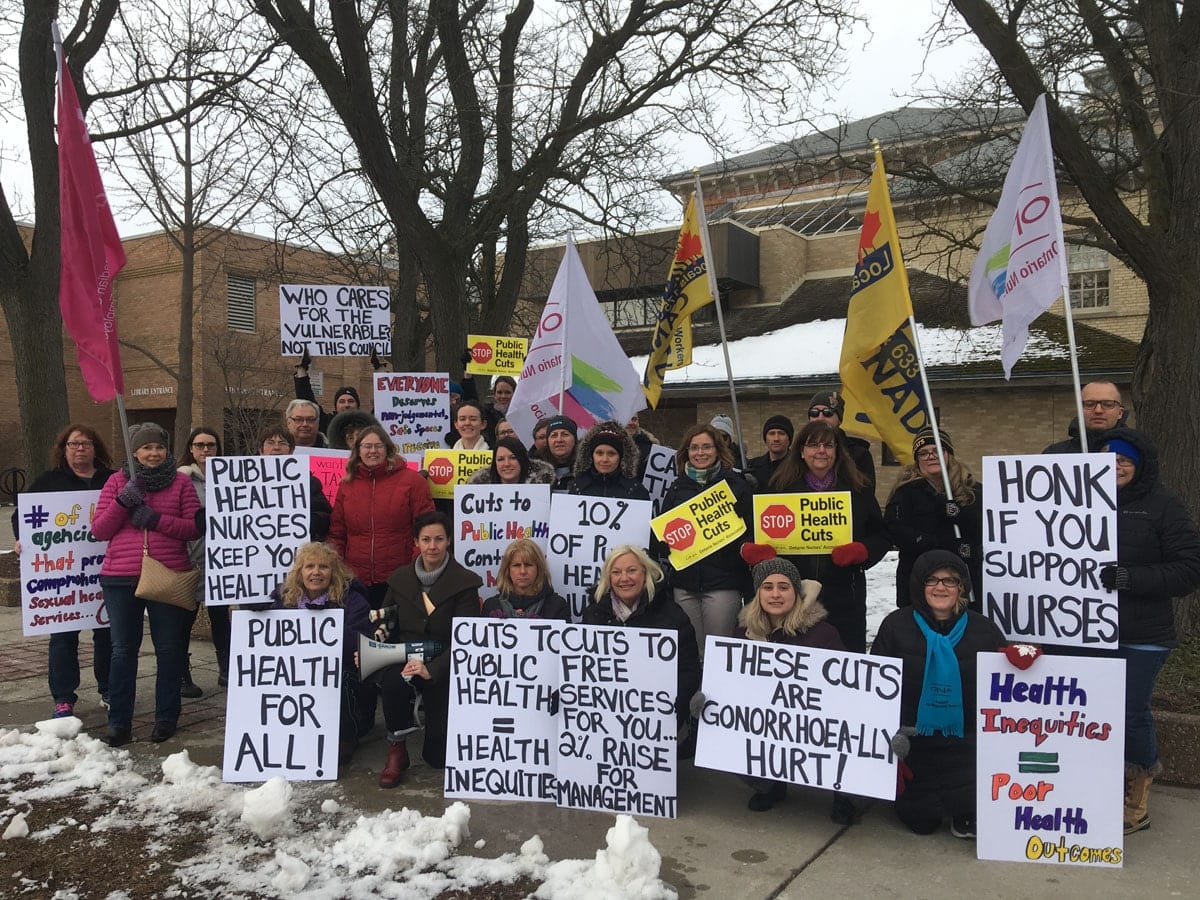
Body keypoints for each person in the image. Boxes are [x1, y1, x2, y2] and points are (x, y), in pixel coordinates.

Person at [1095, 427, 1200, 834]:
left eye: (1124, 460)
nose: (1116, 466)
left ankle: (1136, 798)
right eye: (1109, 458)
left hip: (1142, 634)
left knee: (1129, 712)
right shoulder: (1083, 502)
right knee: (1090, 711)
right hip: (1088, 631)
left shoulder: (1163, 506)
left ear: (1139, 466)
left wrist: (1130, 578)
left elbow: (1189, 570)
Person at [871, 549, 1006, 838]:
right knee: (920, 823)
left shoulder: (984, 630)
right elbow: (875, 687)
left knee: (968, 811)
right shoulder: (896, 626)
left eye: (950, 580)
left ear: (962, 588)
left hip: (967, 743)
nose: (941, 587)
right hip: (915, 742)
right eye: (932, 580)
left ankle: (964, 809)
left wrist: (1023, 659)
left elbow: (1008, 685)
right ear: (919, 585)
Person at [91, 423, 202, 746]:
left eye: (159, 447)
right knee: (123, 651)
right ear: (135, 452)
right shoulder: (117, 482)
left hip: (168, 575)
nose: (153, 453)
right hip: (120, 577)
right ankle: (119, 722)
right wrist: (123, 503)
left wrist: (156, 520)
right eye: (146, 448)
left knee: (169, 650)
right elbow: (100, 530)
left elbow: (193, 529)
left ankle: (166, 717)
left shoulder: (181, 483)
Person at [729, 544, 850, 820]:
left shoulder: (823, 634)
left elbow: (848, 694)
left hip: (817, 722)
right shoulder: (742, 633)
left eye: (783, 587)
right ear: (757, 594)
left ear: (796, 593)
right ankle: (768, 784)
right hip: (769, 723)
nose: (775, 594)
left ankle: (843, 793)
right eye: (768, 587)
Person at [371, 511, 483, 787]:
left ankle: (435, 736)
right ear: (416, 542)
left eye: (439, 539)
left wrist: (432, 669)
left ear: (449, 542)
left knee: (437, 756)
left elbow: (465, 639)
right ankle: (397, 748)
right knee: (392, 683)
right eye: (426, 539)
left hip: (444, 661)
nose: (432, 546)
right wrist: (374, 649)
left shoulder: (466, 582)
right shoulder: (398, 579)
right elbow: (386, 623)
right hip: (405, 655)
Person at [11, 424, 115, 718]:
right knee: (63, 637)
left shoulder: (111, 480)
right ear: (63, 449)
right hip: (62, 580)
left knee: (107, 633)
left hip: (105, 572)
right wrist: (23, 540)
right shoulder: (49, 481)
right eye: (74, 444)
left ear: (96, 449)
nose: (80, 448)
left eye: (86, 443)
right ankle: (63, 697)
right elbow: (24, 516)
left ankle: (109, 688)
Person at [766, 420, 890, 652]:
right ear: (801, 452)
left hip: (845, 593)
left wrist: (862, 551)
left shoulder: (858, 489)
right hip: (794, 593)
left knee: (846, 656)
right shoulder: (779, 489)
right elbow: (763, 533)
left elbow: (881, 535)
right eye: (813, 445)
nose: (821, 451)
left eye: (828, 445)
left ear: (837, 452)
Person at [265, 542, 373, 764]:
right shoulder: (284, 601)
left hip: (341, 672)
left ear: (334, 572)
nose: (316, 572)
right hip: (295, 673)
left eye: (323, 567)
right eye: (309, 566)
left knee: (337, 678)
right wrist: (259, 617)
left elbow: (360, 642)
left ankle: (345, 737)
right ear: (299, 572)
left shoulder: (353, 600)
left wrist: (327, 625)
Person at [652, 423, 753, 661]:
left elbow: (753, 535)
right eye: (694, 448)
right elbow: (662, 531)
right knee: (692, 651)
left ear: (718, 449)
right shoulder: (676, 487)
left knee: (720, 652)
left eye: (706, 447)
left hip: (722, 583)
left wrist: (741, 527)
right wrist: (661, 545)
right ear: (686, 452)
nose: (700, 453)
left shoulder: (736, 485)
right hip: (685, 584)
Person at [580, 545, 701, 731]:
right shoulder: (593, 615)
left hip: (654, 723)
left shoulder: (672, 616)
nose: (624, 578)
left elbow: (688, 669)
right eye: (616, 572)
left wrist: (675, 702)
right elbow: (580, 667)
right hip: (602, 721)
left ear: (645, 574)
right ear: (608, 578)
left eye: (631, 570)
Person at [328, 425, 436, 605]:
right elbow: (337, 533)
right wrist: (338, 570)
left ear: (387, 448)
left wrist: (414, 571)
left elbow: (426, 530)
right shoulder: (346, 485)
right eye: (367, 446)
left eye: (378, 446)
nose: (372, 451)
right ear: (358, 451)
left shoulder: (413, 481)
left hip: (399, 579)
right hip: (355, 580)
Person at [885, 429, 982, 610]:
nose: (931, 456)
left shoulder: (971, 489)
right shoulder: (905, 491)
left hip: (964, 578)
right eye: (923, 452)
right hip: (918, 577)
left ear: (949, 454)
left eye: (937, 450)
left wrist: (961, 515)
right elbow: (895, 530)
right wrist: (933, 542)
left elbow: (983, 528)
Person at [176, 426, 228, 696]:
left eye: (211, 445)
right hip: (191, 558)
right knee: (186, 617)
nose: (206, 450)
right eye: (200, 445)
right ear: (191, 449)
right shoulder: (181, 479)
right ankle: (181, 673)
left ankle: (227, 668)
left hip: (223, 560)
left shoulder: (232, 477)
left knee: (221, 617)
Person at [257, 425, 333, 541]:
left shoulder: (308, 482)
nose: (276, 447)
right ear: (261, 450)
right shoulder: (244, 483)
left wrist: (304, 523)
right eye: (270, 443)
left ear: (291, 450)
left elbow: (325, 516)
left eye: (282, 443)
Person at [482, 538, 571, 620]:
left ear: (539, 569)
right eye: (516, 565)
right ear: (507, 570)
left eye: (528, 565)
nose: (523, 571)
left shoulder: (557, 606)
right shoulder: (491, 606)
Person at [807, 390, 875, 493]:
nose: (820, 418)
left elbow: (866, 496)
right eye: (814, 413)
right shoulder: (799, 453)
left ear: (840, 419)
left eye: (828, 413)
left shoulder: (859, 455)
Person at [568, 421, 651, 500]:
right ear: (591, 456)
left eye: (611, 454)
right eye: (599, 453)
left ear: (621, 457)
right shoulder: (577, 488)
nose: (604, 459)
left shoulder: (636, 491)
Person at [1044, 381, 1129, 453]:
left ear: (1120, 413)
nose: (1098, 410)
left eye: (1108, 404)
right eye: (1089, 404)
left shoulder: (1138, 450)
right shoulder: (1055, 454)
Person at [467, 437, 554, 485]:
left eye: (513, 458)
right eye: (500, 459)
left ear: (522, 460)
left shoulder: (543, 490)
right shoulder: (478, 492)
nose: (507, 464)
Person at [745, 414, 794, 488]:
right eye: (771, 433)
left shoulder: (800, 466)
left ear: (789, 439)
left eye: (781, 433)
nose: (776, 438)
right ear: (765, 439)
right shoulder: (751, 467)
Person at [543, 415, 579, 492]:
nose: (559, 440)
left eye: (565, 434)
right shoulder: (535, 474)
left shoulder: (587, 472)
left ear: (575, 440)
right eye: (554, 435)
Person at [625, 414, 659, 480]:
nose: (631, 423)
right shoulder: (609, 445)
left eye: (634, 419)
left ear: (638, 422)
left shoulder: (650, 445)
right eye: (626, 419)